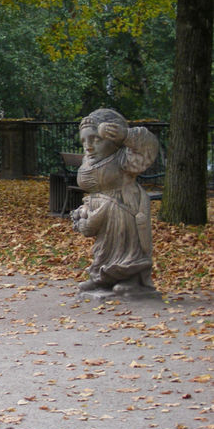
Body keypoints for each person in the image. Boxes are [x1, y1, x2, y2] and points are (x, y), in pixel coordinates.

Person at [70, 108, 159, 295]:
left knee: (126, 247)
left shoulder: (123, 159)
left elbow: (148, 148)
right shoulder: (90, 161)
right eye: (84, 141)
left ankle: (132, 279)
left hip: (124, 208)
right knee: (104, 249)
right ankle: (102, 278)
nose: (88, 146)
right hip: (101, 212)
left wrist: (127, 135)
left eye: (96, 139)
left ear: (112, 139)